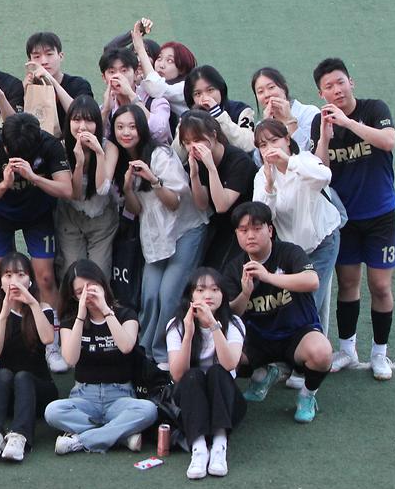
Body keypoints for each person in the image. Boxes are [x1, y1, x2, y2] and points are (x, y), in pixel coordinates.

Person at [311, 58, 395, 380]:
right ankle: (347, 350)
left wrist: (348, 123)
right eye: (329, 86)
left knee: (380, 285)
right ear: (321, 94)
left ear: (351, 83)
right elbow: (320, 171)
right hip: (345, 220)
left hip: (380, 216)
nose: (337, 90)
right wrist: (325, 137)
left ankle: (380, 353)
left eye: (340, 82)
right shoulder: (320, 121)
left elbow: (387, 141)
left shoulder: (374, 109)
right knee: (348, 284)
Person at [113, 105, 208, 364]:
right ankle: (142, 350)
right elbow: (136, 210)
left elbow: (174, 203)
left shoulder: (160, 154)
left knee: (169, 295)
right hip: (155, 236)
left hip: (185, 230)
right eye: (120, 127)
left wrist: (153, 180)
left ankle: (162, 353)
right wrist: (127, 189)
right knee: (150, 294)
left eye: (132, 126)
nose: (126, 132)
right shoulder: (120, 161)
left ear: (142, 129)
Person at [222, 202, 330, 423]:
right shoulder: (233, 268)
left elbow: (312, 281)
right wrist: (245, 293)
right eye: (243, 230)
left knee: (322, 353)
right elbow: (232, 313)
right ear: (237, 234)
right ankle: (264, 373)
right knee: (223, 355)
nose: (250, 235)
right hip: (257, 340)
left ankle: (307, 395)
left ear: (270, 230)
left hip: (296, 334)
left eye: (257, 228)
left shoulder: (289, 252)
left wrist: (268, 277)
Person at [44, 259, 157, 453]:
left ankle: (81, 440)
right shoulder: (70, 321)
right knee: (52, 412)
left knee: (149, 410)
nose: (87, 294)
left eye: (91, 287)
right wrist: (81, 316)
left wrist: (105, 310)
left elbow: (126, 346)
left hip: (120, 395)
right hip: (84, 396)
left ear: (102, 284)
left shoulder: (125, 314)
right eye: (80, 291)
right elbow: (70, 359)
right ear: (73, 296)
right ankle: (120, 436)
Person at [252, 119, 342, 339]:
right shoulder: (262, 176)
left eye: (274, 140)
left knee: (308, 303)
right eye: (263, 145)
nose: (270, 148)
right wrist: (269, 187)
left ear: (287, 139)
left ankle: (311, 351)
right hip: (292, 251)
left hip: (322, 242)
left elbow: (324, 177)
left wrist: (288, 161)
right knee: (301, 303)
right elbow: (262, 217)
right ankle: (313, 347)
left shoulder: (304, 160)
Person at [0, 112, 72, 313]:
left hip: (37, 213)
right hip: (0, 213)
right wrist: (4, 185)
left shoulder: (50, 145)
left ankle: (53, 330)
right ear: (4, 144)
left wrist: (34, 177)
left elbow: (66, 190)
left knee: (45, 276)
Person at [166, 268, 246, 479]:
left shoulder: (234, 323)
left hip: (225, 399)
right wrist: (188, 335)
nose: (208, 295)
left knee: (217, 372)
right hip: (191, 399)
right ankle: (199, 448)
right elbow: (177, 374)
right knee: (193, 375)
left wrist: (213, 325)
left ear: (223, 294)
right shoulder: (176, 325)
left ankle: (220, 444)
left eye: (215, 289)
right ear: (191, 295)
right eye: (200, 290)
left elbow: (230, 364)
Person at [0, 253, 59, 462]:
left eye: (20, 274)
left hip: (38, 391)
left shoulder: (43, 309)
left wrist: (32, 303)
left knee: (23, 376)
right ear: (0, 282)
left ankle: (20, 437)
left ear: (30, 280)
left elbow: (48, 338)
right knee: (4, 374)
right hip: (8, 394)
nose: (14, 281)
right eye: (7, 275)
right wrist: (4, 314)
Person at [179, 110, 258, 269]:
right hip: (220, 227)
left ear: (214, 135)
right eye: (187, 142)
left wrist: (211, 168)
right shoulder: (197, 162)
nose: (193, 146)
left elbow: (222, 205)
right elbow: (202, 204)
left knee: (222, 272)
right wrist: (194, 175)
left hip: (248, 225)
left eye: (197, 140)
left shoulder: (239, 161)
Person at [56, 96, 119, 280]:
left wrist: (99, 153)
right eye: (76, 120)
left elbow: (102, 189)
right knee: (71, 273)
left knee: (99, 273)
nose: (82, 127)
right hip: (70, 217)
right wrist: (79, 164)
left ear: (97, 124)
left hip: (102, 218)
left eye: (89, 120)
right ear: (69, 122)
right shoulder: (60, 148)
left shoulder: (109, 147)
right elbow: (74, 194)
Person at [24, 31, 96, 133]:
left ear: (61, 56)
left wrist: (52, 81)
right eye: (37, 57)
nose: (44, 61)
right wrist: (25, 92)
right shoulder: (26, 86)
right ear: (30, 62)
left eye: (49, 54)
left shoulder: (79, 84)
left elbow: (81, 115)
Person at [99, 46, 172, 145]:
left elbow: (159, 132)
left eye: (124, 70)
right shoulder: (105, 108)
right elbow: (98, 139)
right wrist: (106, 110)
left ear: (136, 73)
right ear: (104, 78)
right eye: (112, 72)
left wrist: (131, 95)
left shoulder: (155, 101)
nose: (118, 76)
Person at [128, 18, 195, 119]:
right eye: (159, 58)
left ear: (182, 69)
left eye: (170, 61)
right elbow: (110, 50)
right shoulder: (146, 83)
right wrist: (137, 32)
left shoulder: (186, 87)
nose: (161, 65)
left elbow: (157, 88)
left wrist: (140, 49)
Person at [250, 67, 320, 158]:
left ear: (284, 87)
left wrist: (290, 121)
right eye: (260, 92)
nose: (267, 94)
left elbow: (311, 153)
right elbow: (258, 161)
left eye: (271, 87)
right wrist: (266, 126)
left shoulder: (309, 113)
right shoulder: (260, 125)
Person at [183, 65, 255, 153]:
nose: (205, 97)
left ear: (220, 89)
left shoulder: (241, 110)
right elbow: (178, 155)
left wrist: (218, 114)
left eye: (210, 90)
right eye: (198, 94)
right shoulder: (187, 118)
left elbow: (250, 145)